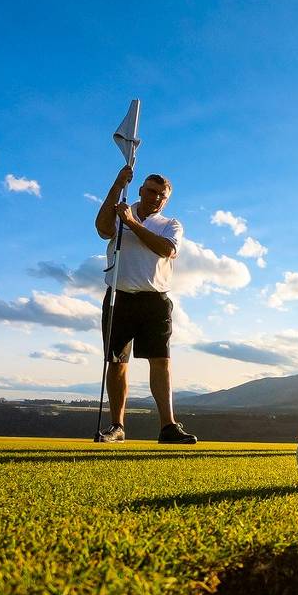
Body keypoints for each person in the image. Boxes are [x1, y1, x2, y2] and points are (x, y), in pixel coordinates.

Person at [93, 165, 197, 444]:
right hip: (119, 296)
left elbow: (167, 250)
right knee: (116, 363)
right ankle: (117, 427)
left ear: (166, 200)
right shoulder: (119, 211)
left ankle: (168, 427)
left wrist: (132, 224)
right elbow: (103, 230)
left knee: (161, 362)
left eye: (161, 195)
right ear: (140, 190)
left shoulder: (170, 224)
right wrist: (117, 185)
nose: (155, 198)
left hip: (155, 300)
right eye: (151, 191)